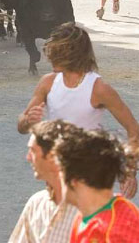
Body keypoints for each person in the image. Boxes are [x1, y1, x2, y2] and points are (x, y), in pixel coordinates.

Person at [17, 22, 139, 199]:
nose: (50, 57)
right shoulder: (47, 83)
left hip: (90, 171)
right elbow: (21, 126)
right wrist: (28, 121)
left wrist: (130, 170)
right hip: (55, 170)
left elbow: (133, 129)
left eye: (55, 53)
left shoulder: (99, 89)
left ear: (71, 55)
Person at [55, 127, 139, 242]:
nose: (55, 180)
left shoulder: (115, 229)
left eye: (60, 173)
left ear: (75, 180)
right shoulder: (84, 216)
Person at [9, 120, 78, 243]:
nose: (28, 157)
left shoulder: (87, 212)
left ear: (53, 156)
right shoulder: (36, 203)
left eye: (33, 151)